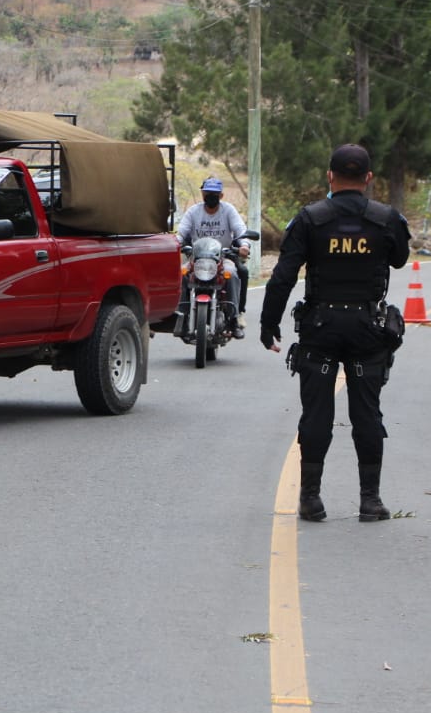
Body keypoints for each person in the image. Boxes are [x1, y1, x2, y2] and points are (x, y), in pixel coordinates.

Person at [259, 144, 411, 522]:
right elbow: (400, 258)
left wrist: (268, 324)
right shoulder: (385, 218)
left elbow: (282, 276)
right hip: (366, 330)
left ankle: (311, 499)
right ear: (369, 179)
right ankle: (370, 501)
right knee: (367, 415)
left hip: (321, 329)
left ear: (329, 176)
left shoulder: (310, 219)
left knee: (316, 414)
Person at [176, 176, 250, 338]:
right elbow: (181, 232)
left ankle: (233, 318)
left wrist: (244, 245)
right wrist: (175, 243)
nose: (211, 196)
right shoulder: (193, 212)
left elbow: (240, 230)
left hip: (223, 258)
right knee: (181, 273)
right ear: (202, 194)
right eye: (207, 193)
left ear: (221, 196)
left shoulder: (228, 210)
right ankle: (181, 316)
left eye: (215, 194)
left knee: (233, 275)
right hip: (197, 258)